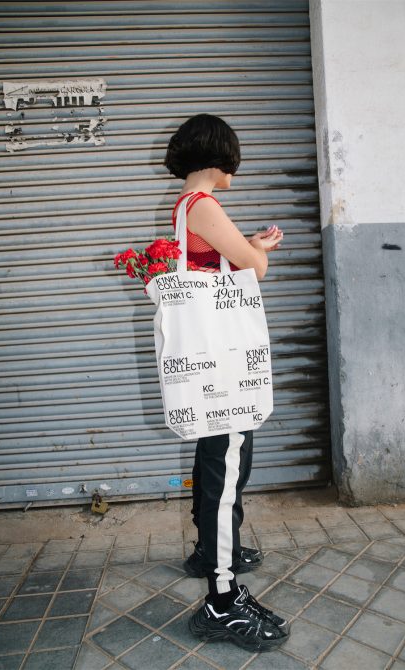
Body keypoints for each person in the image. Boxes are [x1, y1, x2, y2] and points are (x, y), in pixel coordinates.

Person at [164, 114, 288, 652]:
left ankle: (210, 556)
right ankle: (221, 599)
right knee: (228, 465)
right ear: (219, 155)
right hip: (224, 367)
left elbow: (231, 258)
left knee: (217, 457)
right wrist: (258, 251)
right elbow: (252, 269)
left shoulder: (188, 208)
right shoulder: (205, 204)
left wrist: (250, 246)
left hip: (211, 361)